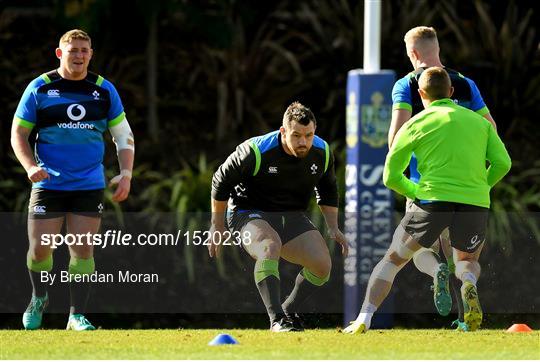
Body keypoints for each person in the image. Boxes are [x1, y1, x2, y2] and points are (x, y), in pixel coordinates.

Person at [343, 67, 511, 334]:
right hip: (474, 204)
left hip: (431, 201)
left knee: (393, 259)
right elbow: (503, 163)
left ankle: (364, 319)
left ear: (421, 94)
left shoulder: (414, 124)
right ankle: (468, 282)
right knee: (467, 261)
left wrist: (415, 192)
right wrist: (480, 187)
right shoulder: (480, 123)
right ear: (452, 92)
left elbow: (390, 176)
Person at [11, 29, 135, 330]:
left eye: (84, 50)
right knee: (40, 249)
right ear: (60, 53)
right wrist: (29, 167)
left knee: (82, 249)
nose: (78, 56)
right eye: (73, 50)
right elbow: (19, 133)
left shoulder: (104, 90)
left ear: (91, 54)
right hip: (48, 182)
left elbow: (123, 136)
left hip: (89, 184)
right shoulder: (40, 88)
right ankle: (39, 297)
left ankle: (76, 315)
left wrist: (126, 173)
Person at [388, 26, 498, 329]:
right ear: (437, 48)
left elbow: (396, 135)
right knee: (463, 257)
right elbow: (491, 129)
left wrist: (405, 178)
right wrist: (480, 178)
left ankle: (435, 269)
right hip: (468, 186)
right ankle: (465, 320)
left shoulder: (407, 84)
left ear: (412, 53)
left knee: (421, 250)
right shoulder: (463, 83)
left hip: (425, 184)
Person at [209, 102, 349, 332]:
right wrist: (217, 225)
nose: (303, 142)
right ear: (283, 131)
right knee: (269, 245)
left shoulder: (322, 153)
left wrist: (333, 228)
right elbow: (220, 181)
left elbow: (328, 190)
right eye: (296, 135)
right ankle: (277, 321)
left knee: (322, 266)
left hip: (291, 216)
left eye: (309, 135)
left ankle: (288, 310)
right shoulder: (255, 150)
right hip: (247, 214)